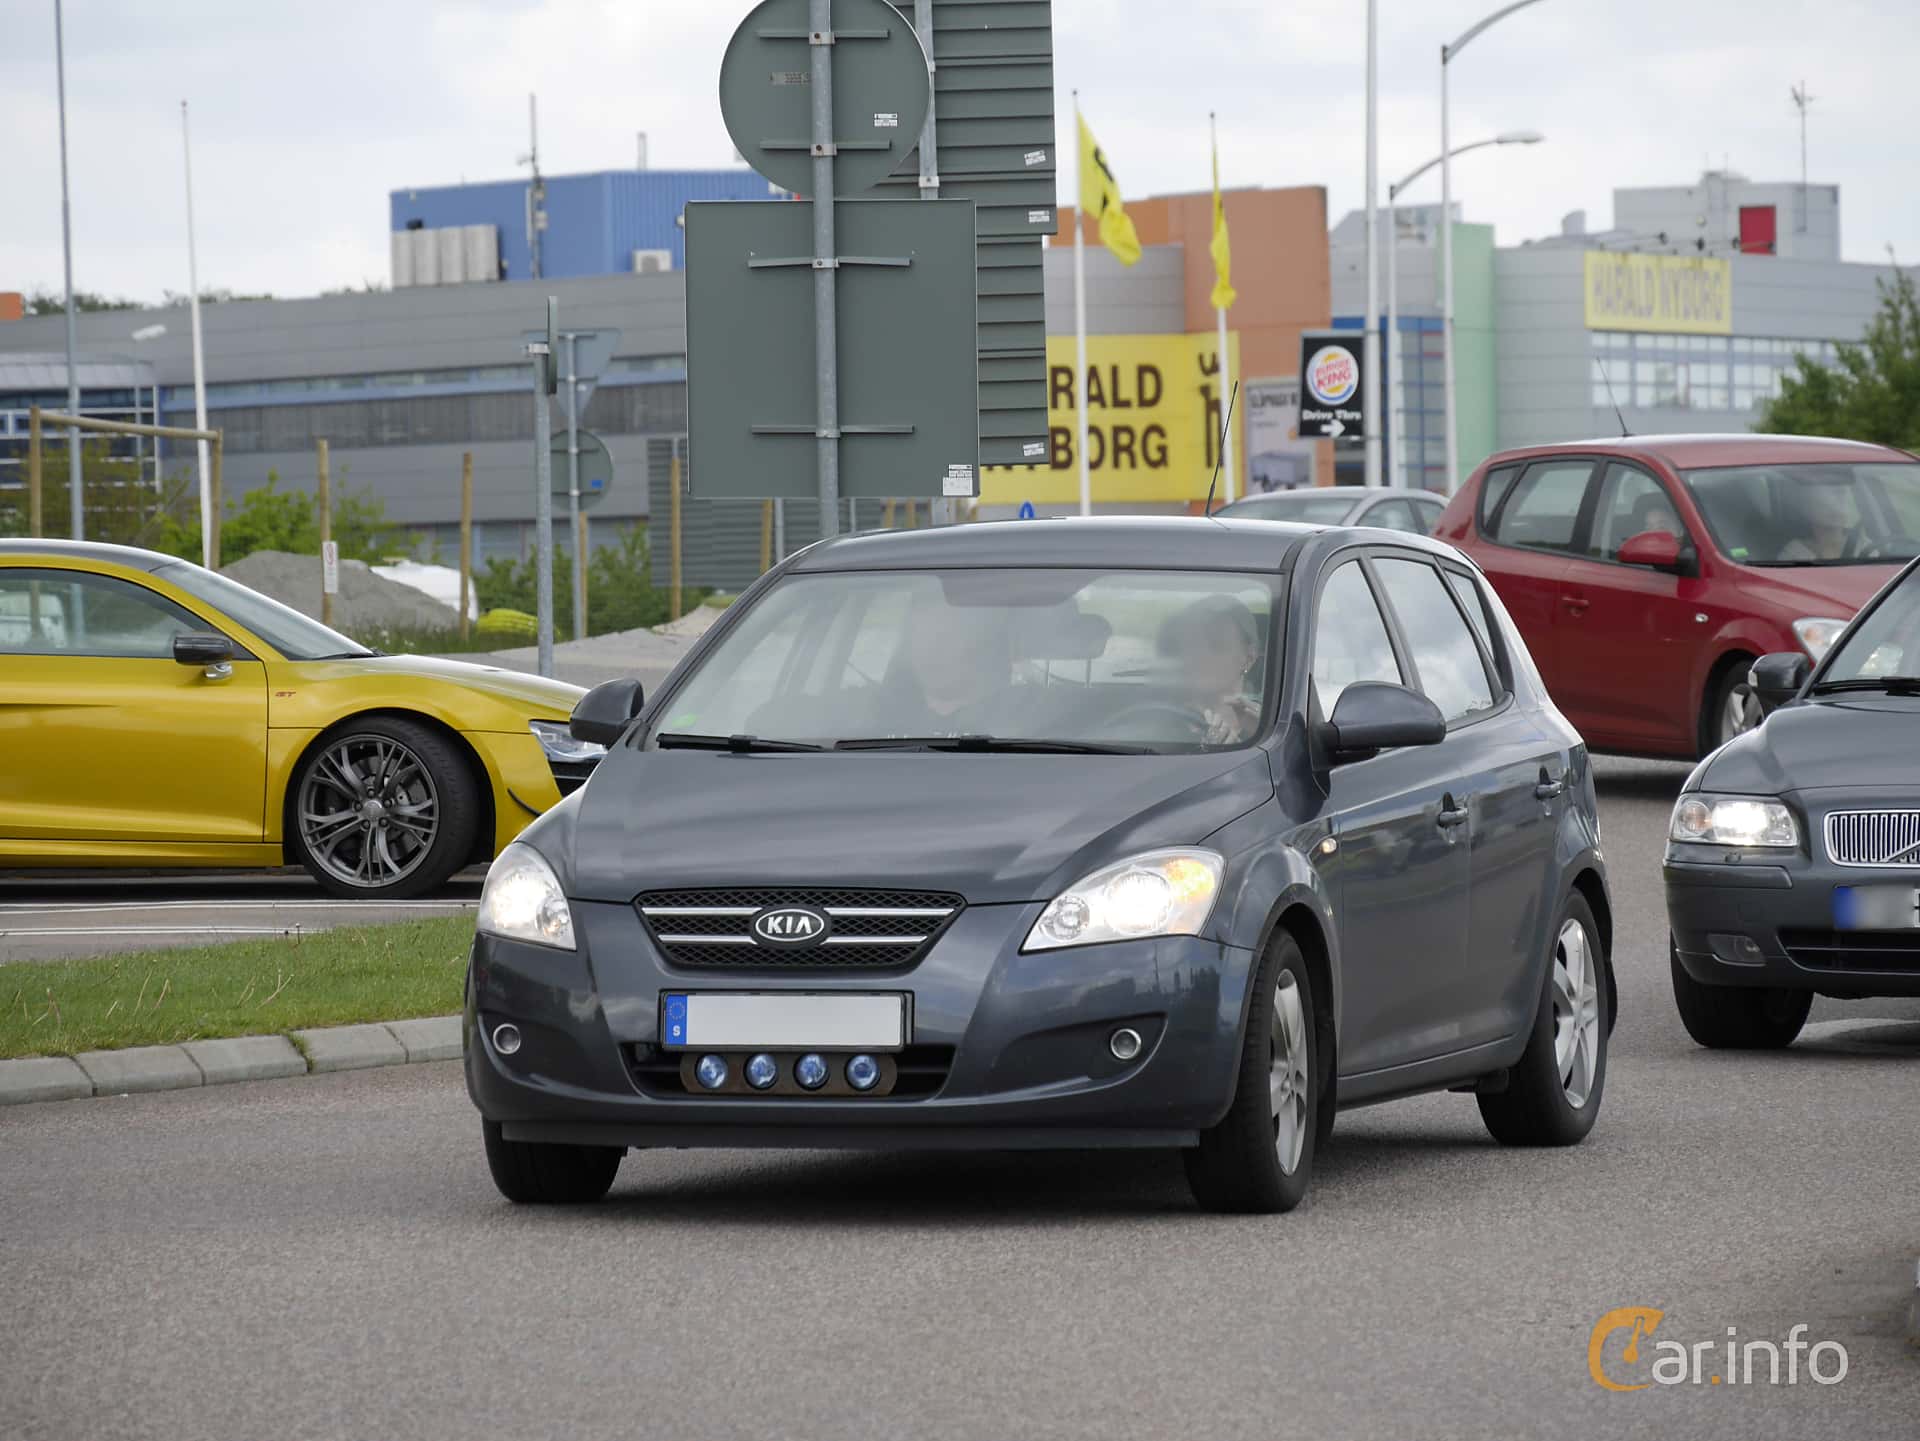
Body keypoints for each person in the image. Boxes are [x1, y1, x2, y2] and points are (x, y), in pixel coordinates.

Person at [1159, 596, 1263, 745]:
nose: (1200, 655)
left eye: (1216, 644)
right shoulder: (1157, 719)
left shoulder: (1270, 730)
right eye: (1192, 644)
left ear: (1249, 658)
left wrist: (1259, 735)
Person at [1779, 489, 1855, 562]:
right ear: (1808, 511)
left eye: (1840, 498)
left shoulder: (1859, 544)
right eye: (1824, 502)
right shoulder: (1794, 553)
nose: (1833, 506)